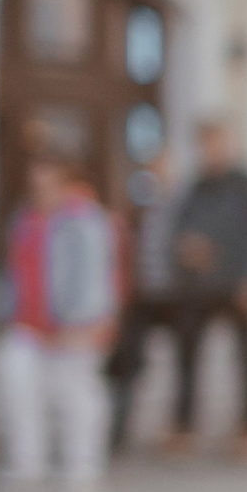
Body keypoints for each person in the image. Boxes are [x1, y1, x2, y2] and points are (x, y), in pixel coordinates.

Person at [1, 144, 123, 492]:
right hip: (29, 324)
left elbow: (98, 275)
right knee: (17, 386)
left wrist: (84, 321)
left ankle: (82, 470)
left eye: (49, 180)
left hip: (75, 326)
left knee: (76, 395)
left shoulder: (86, 219)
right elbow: (16, 271)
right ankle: (28, 464)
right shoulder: (24, 218)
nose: (41, 188)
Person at [167, 115, 247, 455]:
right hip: (198, 286)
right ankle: (184, 423)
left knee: (246, 357)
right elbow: (178, 228)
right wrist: (187, 247)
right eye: (206, 143)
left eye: (218, 141)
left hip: (237, 284)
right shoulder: (196, 186)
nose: (212, 149)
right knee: (187, 356)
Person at [106, 140, 185, 453]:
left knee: (184, 362)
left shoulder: (186, 205)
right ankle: (118, 429)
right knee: (128, 359)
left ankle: (180, 427)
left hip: (177, 295)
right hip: (143, 296)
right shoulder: (138, 207)